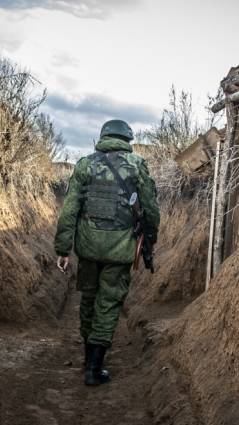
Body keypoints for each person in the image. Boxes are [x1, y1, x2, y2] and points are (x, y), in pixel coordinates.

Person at [54, 119, 160, 386]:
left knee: (88, 301)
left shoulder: (84, 165)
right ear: (127, 139)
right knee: (108, 304)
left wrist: (63, 248)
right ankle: (94, 367)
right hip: (120, 250)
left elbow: (69, 211)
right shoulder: (137, 166)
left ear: (103, 137)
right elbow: (151, 209)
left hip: (87, 249)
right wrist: (150, 240)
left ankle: (87, 358)